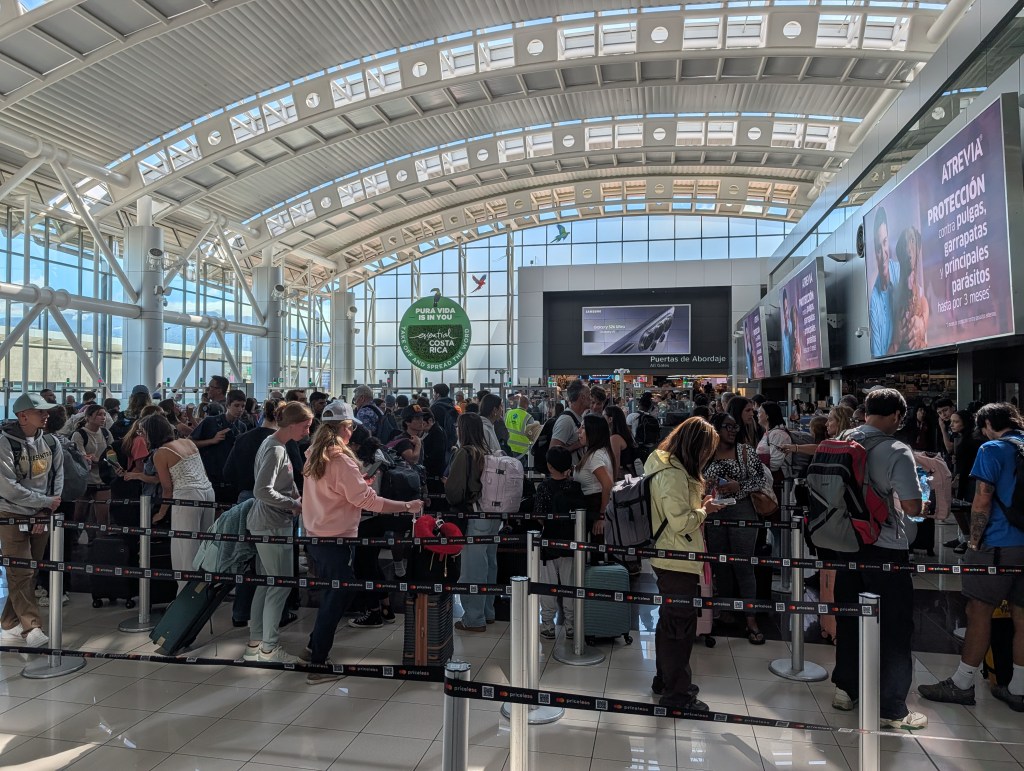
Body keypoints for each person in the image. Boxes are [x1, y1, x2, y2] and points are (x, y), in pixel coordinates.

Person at [302, 400, 423, 682]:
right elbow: (368, 501)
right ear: (346, 428)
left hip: (315, 535)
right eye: (350, 428)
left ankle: (312, 648)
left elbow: (333, 492)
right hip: (336, 538)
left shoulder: (314, 455)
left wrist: (358, 485)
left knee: (336, 593)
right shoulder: (341, 459)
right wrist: (407, 506)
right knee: (338, 595)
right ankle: (318, 664)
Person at [829, 388, 926, 729]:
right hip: (886, 546)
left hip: (844, 543)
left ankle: (845, 689)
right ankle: (892, 706)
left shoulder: (839, 441)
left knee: (849, 616)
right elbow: (913, 507)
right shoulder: (896, 449)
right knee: (896, 626)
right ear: (898, 416)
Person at [919, 402, 1024, 712]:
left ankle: (963, 683)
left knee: (978, 610)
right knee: (1022, 615)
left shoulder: (992, 449)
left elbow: (983, 499)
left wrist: (974, 541)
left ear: (989, 423)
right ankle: (1018, 687)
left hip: (999, 546)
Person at [647, 417, 724, 711]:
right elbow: (681, 522)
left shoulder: (667, 466)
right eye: (706, 449)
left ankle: (664, 680)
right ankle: (677, 696)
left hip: (671, 554)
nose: (708, 456)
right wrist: (703, 511)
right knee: (679, 627)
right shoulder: (673, 474)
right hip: (676, 556)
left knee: (670, 621)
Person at [242, 402, 312, 664]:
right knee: (279, 584)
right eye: (305, 426)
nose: (308, 431)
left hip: (266, 522)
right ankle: (269, 648)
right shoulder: (275, 449)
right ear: (292, 424)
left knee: (267, 581)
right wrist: (294, 504)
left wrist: (295, 495)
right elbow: (262, 490)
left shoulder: (273, 444)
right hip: (272, 523)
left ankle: (256, 642)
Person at [0, 393, 63, 647]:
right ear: (23, 415)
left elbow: (57, 478)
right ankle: (32, 628)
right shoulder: (4, 443)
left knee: (30, 569)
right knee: (19, 570)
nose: (46, 415)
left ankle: (8, 623)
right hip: (10, 513)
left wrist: (44, 511)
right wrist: (44, 503)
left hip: (41, 514)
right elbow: (7, 487)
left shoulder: (52, 441)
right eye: (41, 412)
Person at [704, 411, 769, 644]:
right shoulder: (705, 453)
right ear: (716, 429)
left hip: (742, 510)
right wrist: (707, 485)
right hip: (714, 512)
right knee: (719, 563)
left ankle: (751, 618)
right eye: (727, 426)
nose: (732, 431)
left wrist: (737, 486)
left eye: (735, 427)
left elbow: (760, 480)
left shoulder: (745, 452)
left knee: (743, 564)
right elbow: (696, 480)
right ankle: (725, 609)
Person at [448, 412, 499, 632]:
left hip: (475, 516)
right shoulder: (488, 452)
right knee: (489, 564)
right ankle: (488, 611)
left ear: (463, 430)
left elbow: (454, 491)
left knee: (472, 569)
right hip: (493, 516)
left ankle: (473, 618)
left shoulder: (465, 453)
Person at [147, 413, 214, 583]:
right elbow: (201, 472)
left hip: (186, 496)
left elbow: (167, 488)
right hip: (207, 492)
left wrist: (161, 513)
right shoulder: (188, 442)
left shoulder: (161, 453)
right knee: (204, 545)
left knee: (185, 550)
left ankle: (186, 595)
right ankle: (203, 591)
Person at [534, 446, 584, 640]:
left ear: (549, 466)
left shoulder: (544, 488)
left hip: (549, 543)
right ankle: (571, 625)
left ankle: (547, 624)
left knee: (547, 585)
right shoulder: (576, 487)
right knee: (570, 585)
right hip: (571, 544)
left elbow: (539, 516)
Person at [191, 389, 248, 497]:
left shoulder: (241, 427)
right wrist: (212, 441)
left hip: (231, 479)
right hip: (211, 477)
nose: (240, 409)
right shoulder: (210, 422)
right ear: (228, 405)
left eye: (243, 406)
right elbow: (190, 443)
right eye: (236, 405)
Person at [71, 403, 115, 527]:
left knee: (103, 517)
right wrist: (93, 460)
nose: (103, 418)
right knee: (79, 516)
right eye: (98, 415)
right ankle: (74, 541)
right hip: (84, 480)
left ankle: (99, 542)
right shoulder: (79, 434)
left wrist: (99, 460)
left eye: (104, 415)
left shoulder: (106, 433)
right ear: (88, 417)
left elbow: (112, 454)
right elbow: (80, 457)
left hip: (102, 478)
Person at [575, 414, 615, 546]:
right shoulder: (597, 452)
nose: (579, 431)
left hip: (595, 507)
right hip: (593, 507)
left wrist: (601, 516)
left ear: (594, 431)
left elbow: (608, 485)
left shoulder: (596, 456)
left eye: (583, 428)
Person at [868, 208, 901, 358]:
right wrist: (894, 345)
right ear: (874, 253)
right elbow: (878, 357)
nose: (883, 252)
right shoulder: (874, 301)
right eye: (878, 248)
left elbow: (920, 299)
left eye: (885, 242)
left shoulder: (900, 272)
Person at [550, 379, 588, 464]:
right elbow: (553, 452)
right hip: (568, 474)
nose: (591, 398)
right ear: (582, 397)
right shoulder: (566, 420)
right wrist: (578, 444)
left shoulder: (579, 417)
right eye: (589, 395)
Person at [605, 404, 640, 480]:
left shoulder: (615, 438)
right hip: (630, 476)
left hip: (621, 478)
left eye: (603, 416)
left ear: (610, 419)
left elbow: (615, 464)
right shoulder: (626, 433)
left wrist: (612, 484)